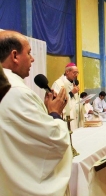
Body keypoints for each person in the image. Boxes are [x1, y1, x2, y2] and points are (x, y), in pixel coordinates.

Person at [0, 30, 72, 196]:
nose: (32, 59)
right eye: (29, 53)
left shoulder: (7, 86)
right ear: (15, 55)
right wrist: (54, 114)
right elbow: (52, 139)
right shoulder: (16, 90)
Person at [52, 62, 80, 130]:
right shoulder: (58, 84)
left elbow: (75, 101)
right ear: (67, 71)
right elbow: (57, 102)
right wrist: (71, 93)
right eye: (74, 72)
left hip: (74, 116)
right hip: (65, 118)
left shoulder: (73, 84)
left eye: (77, 73)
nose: (76, 75)